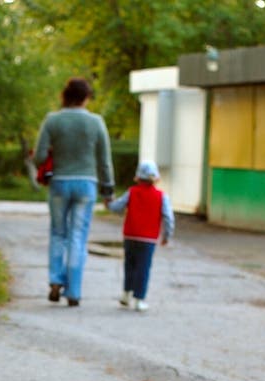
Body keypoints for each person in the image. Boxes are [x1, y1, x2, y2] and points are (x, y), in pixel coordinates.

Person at [33, 76, 115, 307]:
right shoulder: (96, 122)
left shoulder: (53, 121)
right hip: (87, 185)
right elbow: (104, 161)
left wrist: (52, 155)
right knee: (78, 237)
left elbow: (39, 156)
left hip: (60, 183)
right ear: (86, 98)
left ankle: (55, 281)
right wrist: (108, 190)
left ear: (65, 95)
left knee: (58, 233)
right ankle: (74, 291)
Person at [106, 160, 174, 312]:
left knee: (129, 265)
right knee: (143, 267)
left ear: (137, 177)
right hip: (148, 238)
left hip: (130, 235)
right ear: (156, 178)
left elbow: (117, 207)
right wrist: (167, 235)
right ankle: (139, 298)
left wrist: (109, 203)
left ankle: (125, 294)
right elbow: (168, 217)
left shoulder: (131, 192)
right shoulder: (162, 197)